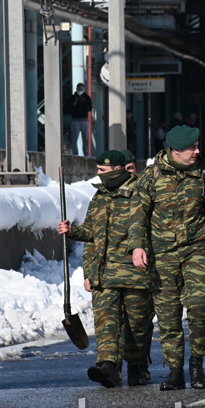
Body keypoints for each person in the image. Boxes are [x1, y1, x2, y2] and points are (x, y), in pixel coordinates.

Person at [129, 125, 205, 390]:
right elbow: (139, 214)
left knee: (200, 306)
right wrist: (137, 246)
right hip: (162, 256)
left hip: (196, 250)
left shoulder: (204, 175)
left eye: (197, 146)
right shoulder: (151, 177)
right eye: (192, 148)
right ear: (175, 151)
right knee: (169, 316)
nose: (197, 151)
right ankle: (175, 372)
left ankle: (197, 364)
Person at [59, 150, 154, 388]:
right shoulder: (100, 196)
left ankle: (138, 366)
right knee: (106, 322)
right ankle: (108, 365)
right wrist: (73, 232)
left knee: (137, 325)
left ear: (119, 169)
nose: (98, 175)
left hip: (135, 273)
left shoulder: (142, 193)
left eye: (103, 171)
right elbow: (92, 234)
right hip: (105, 273)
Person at [68, 83, 92, 156]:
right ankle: (75, 154)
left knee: (86, 138)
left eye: (81, 89)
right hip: (75, 119)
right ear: (76, 89)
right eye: (79, 89)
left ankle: (86, 154)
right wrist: (74, 104)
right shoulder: (72, 98)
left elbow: (90, 108)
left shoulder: (86, 97)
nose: (80, 91)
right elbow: (67, 108)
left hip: (84, 120)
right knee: (74, 138)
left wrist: (83, 104)